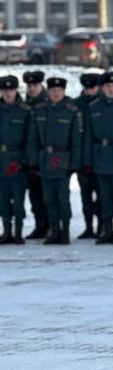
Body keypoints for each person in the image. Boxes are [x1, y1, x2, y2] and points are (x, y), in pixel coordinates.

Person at [27, 77, 82, 246]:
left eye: (59, 90)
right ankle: (54, 229)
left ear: (63, 91)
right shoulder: (40, 110)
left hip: (62, 161)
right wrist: (33, 162)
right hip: (45, 160)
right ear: (48, 91)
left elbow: (76, 141)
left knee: (62, 198)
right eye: (52, 90)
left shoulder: (71, 111)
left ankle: (64, 229)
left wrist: (74, 164)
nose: (56, 93)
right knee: (48, 198)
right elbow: (33, 138)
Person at [85, 71, 113, 245]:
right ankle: (106, 228)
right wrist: (88, 160)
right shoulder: (94, 108)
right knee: (104, 196)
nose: (110, 89)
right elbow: (88, 136)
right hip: (101, 156)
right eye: (107, 86)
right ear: (102, 88)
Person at [0, 75, 30, 244]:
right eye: (5, 90)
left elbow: (30, 138)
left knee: (18, 199)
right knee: (2, 199)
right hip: (0, 161)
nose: (8, 93)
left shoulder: (25, 111)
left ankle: (18, 231)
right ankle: (6, 231)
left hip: (17, 160)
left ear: (16, 90)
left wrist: (24, 162)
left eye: (11, 90)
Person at [72, 73, 102, 239]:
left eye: (93, 87)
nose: (90, 91)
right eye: (87, 87)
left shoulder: (101, 104)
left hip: (100, 158)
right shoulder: (76, 105)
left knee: (102, 197)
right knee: (86, 197)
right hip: (82, 158)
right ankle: (89, 226)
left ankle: (102, 226)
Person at [22, 69, 49, 239]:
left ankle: (51, 225)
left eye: (35, 85)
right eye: (29, 85)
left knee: (48, 196)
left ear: (41, 86)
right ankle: (40, 225)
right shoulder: (25, 106)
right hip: (27, 158)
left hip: (45, 157)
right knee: (34, 196)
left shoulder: (47, 104)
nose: (32, 88)